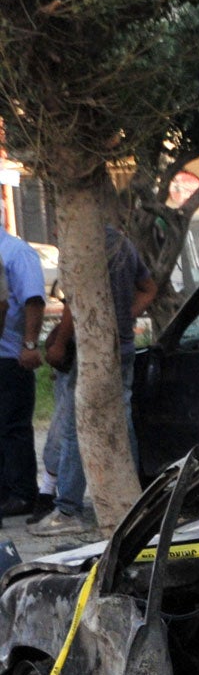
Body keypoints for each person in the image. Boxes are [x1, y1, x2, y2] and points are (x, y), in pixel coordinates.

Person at [27, 227, 155, 537]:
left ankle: (68, 508)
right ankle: (132, 501)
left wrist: (59, 343)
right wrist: (124, 318)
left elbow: (77, 302)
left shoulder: (83, 244)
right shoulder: (124, 243)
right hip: (122, 346)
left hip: (91, 347)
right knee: (122, 422)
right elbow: (149, 288)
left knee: (74, 423)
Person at [0, 218, 48, 519]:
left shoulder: (16, 252)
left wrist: (30, 344)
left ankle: (22, 494)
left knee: (13, 426)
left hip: (11, 355)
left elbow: (33, 299)